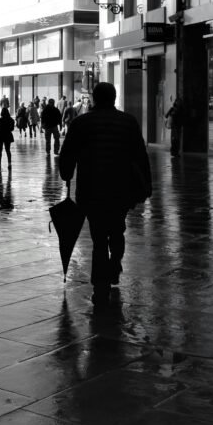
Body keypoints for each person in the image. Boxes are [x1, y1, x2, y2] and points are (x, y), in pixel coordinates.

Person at [58, 82, 152, 305]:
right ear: (114, 97)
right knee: (118, 228)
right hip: (121, 187)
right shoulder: (128, 122)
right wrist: (146, 185)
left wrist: (66, 173)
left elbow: (67, 153)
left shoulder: (81, 123)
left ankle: (100, 282)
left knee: (98, 236)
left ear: (94, 98)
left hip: (91, 188)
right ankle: (115, 262)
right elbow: (140, 155)